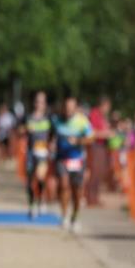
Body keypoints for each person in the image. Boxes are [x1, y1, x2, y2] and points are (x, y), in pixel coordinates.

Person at [53, 95, 93, 232]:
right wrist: (51, 144)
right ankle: (64, 216)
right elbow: (52, 137)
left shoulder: (82, 121)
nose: (68, 110)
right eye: (66, 107)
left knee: (77, 191)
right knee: (64, 185)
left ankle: (75, 218)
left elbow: (91, 138)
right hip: (61, 159)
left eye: (71, 108)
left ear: (76, 109)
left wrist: (78, 141)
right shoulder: (57, 120)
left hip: (77, 160)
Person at [21, 90, 54, 219]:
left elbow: (54, 134)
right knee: (29, 181)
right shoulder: (28, 117)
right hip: (30, 153)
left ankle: (40, 200)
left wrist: (51, 144)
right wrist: (25, 129)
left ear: (45, 104)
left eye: (42, 102)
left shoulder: (49, 118)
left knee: (40, 177)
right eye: (37, 101)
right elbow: (19, 129)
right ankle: (31, 204)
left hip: (43, 153)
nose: (39, 104)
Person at [86, 96, 113, 207]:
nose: (108, 109)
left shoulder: (102, 116)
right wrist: (106, 134)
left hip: (102, 146)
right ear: (103, 105)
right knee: (95, 172)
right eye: (107, 106)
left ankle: (95, 197)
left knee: (100, 172)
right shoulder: (94, 114)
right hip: (96, 146)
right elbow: (91, 132)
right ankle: (91, 198)